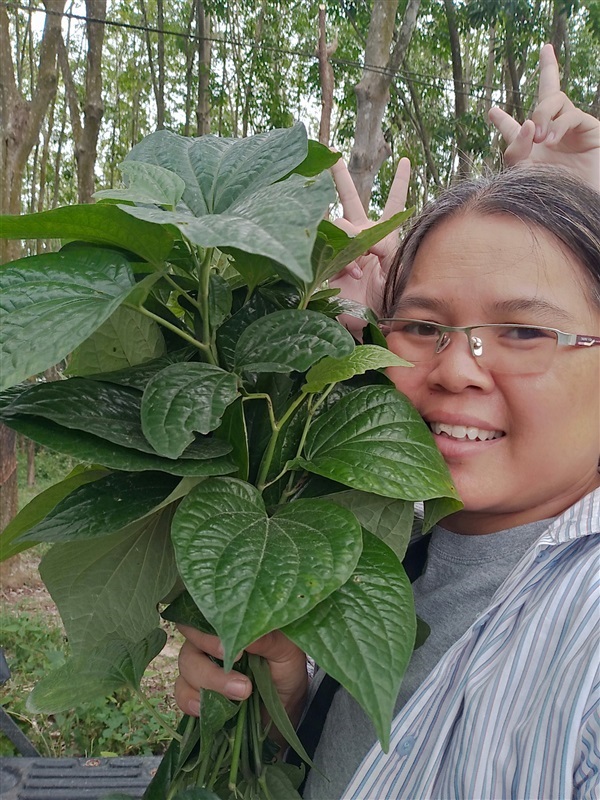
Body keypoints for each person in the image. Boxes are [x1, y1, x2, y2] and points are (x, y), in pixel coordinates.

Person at [175, 45, 600, 799]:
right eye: (423, 327)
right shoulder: (389, 545)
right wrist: (288, 710)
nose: (458, 366)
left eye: (526, 332)